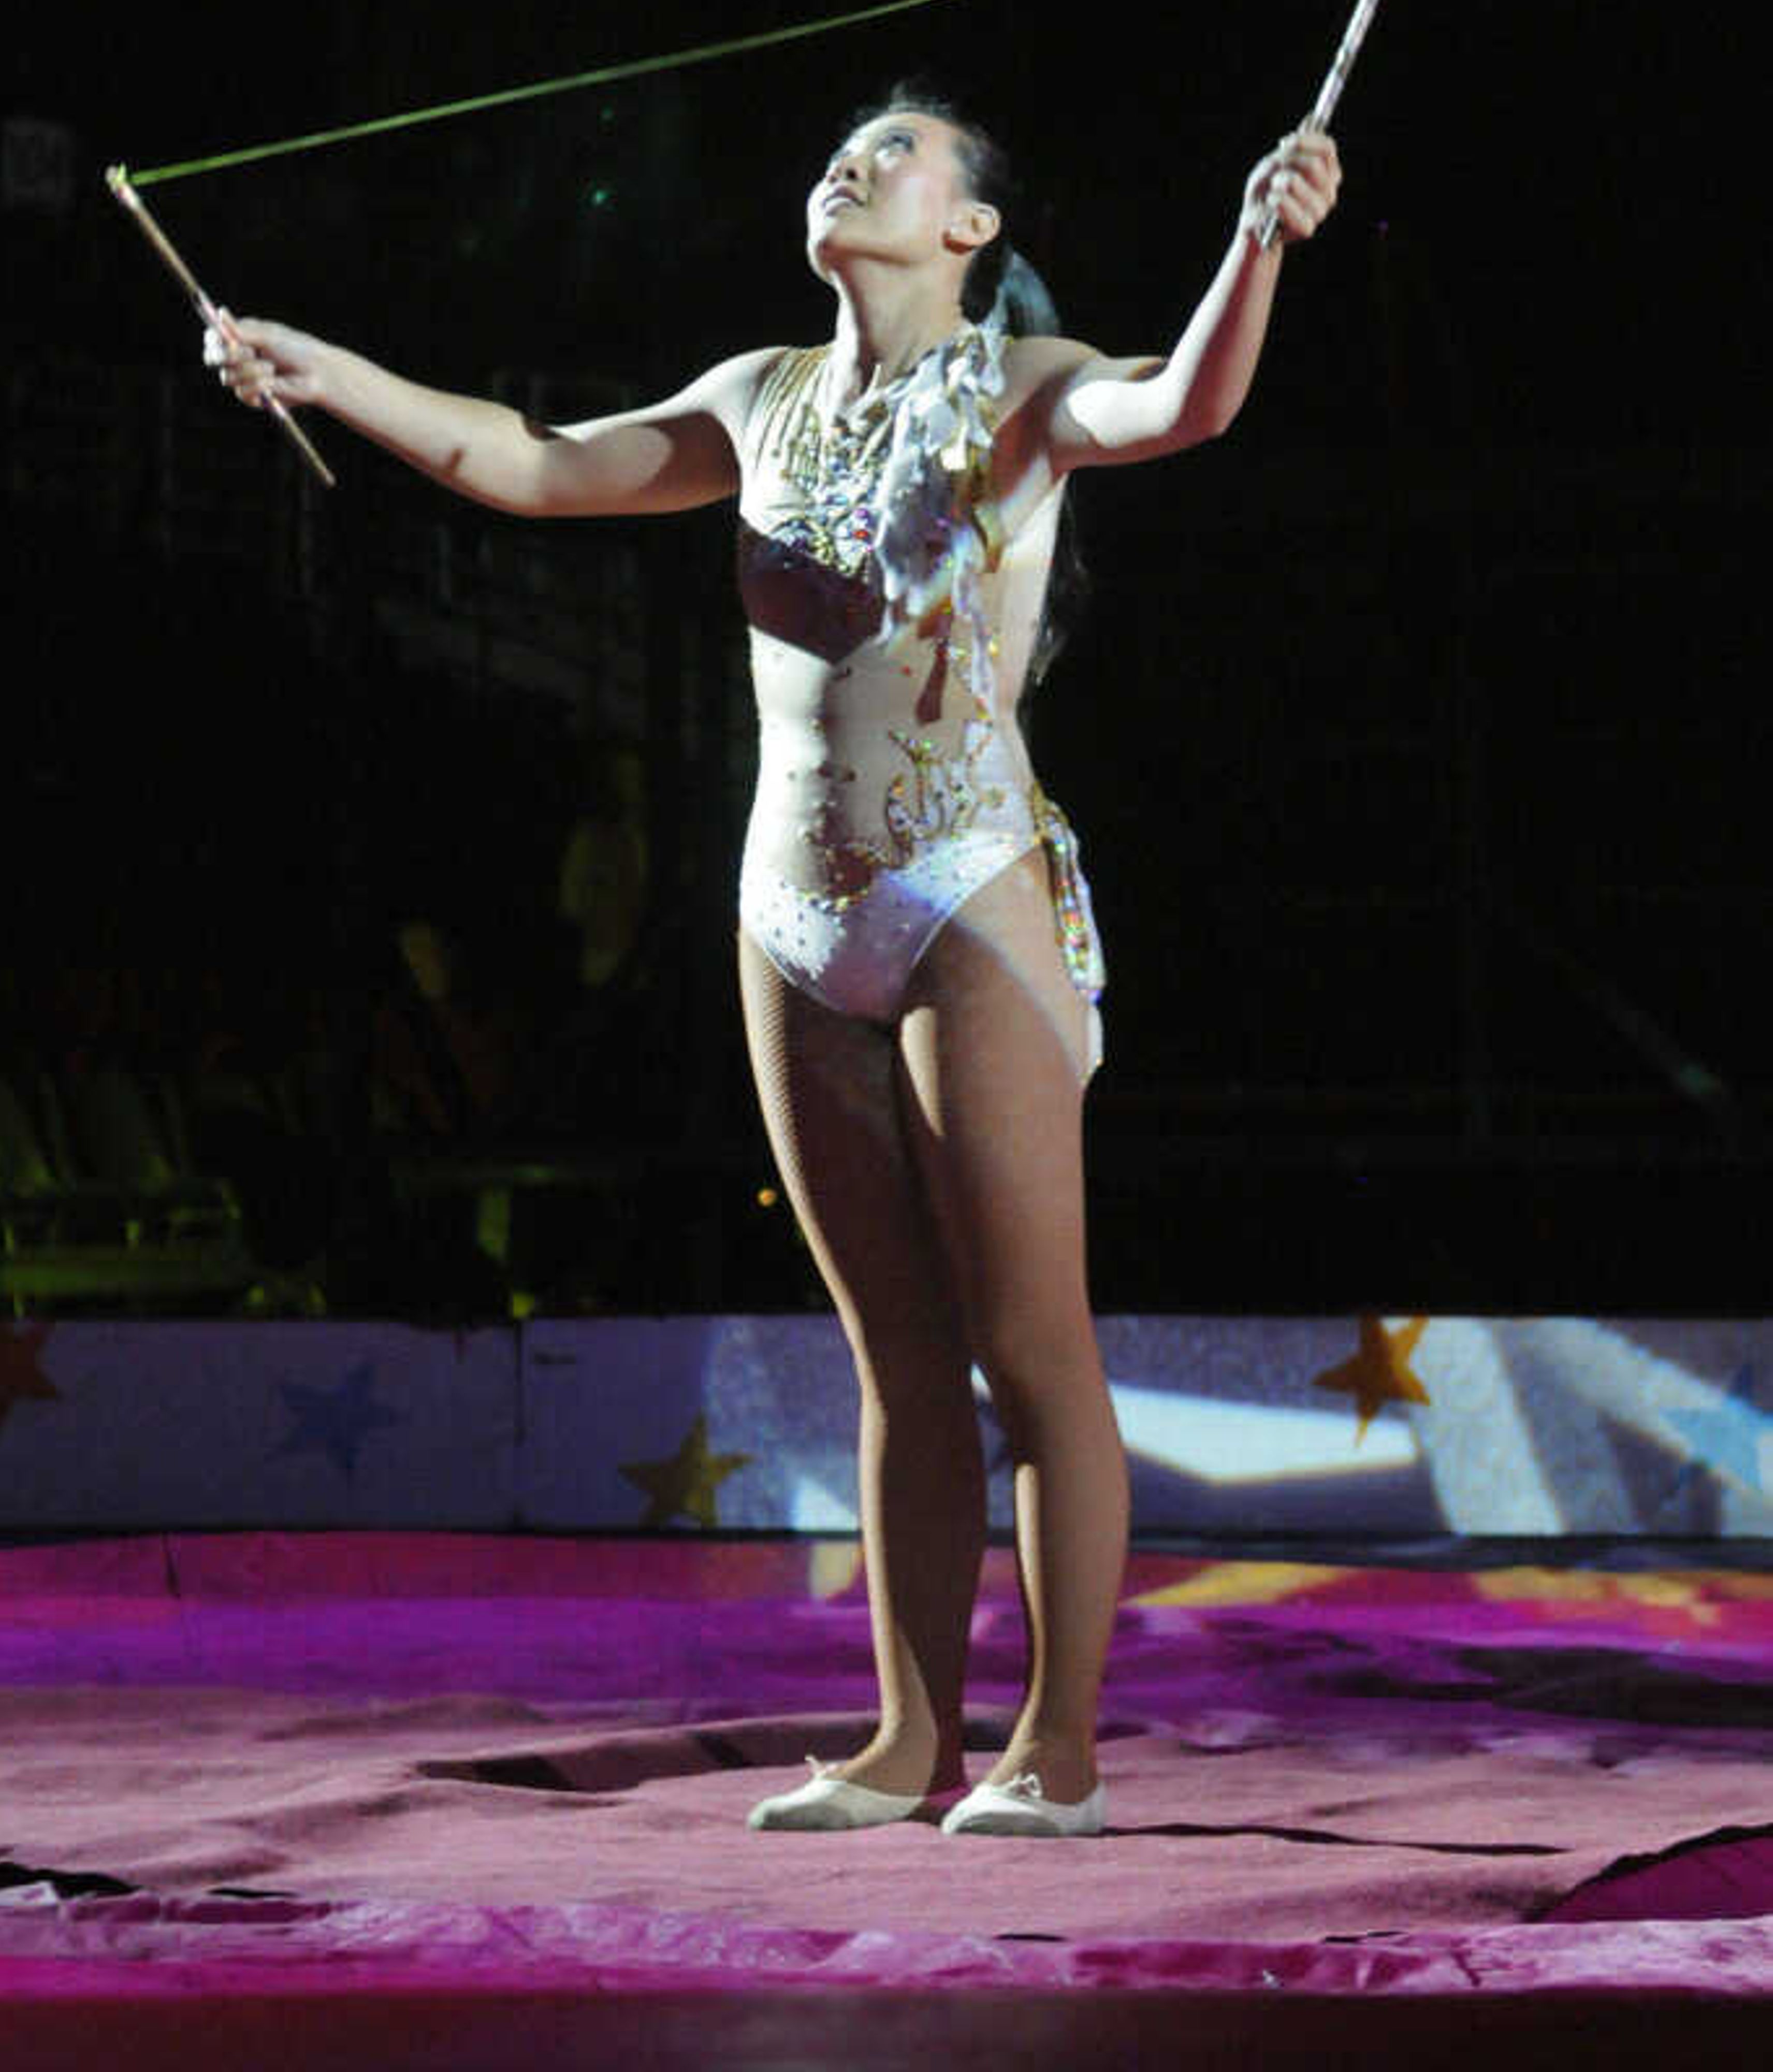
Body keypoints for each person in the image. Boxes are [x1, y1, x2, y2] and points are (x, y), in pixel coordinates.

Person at [207, 91, 1341, 1835]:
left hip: (965, 885)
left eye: (899, 154)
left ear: (971, 228)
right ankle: (907, 1739)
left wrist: (1257, 242)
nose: (850, 163)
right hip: (788, 907)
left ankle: (1059, 1748)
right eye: (842, 148)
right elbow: (530, 459)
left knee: (1029, 1348)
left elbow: (1182, 406)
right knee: (894, 1354)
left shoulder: (1027, 388)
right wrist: (327, 374)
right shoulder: (760, 396)